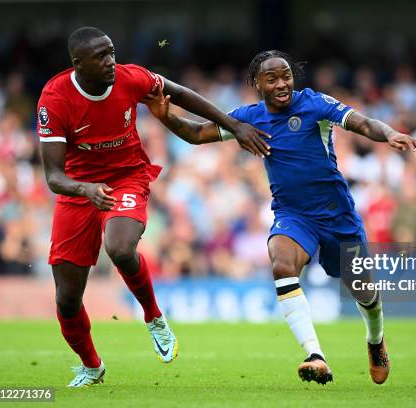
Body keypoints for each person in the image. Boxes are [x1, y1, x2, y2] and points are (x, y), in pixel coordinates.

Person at [143, 50, 416, 385]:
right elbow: (196, 133)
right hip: (293, 214)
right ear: (257, 84)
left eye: (286, 75)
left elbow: (361, 122)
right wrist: (165, 116)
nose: (281, 84)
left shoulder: (315, 103)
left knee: (363, 291)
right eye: (271, 78)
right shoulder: (249, 117)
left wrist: (389, 133)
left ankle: (376, 341)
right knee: (281, 262)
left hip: (337, 214)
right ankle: (315, 355)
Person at [37, 27, 269, 387]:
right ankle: (92, 367)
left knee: (120, 247)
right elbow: (53, 176)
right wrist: (85, 189)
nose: (110, 60)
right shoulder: (55, 99)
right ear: (78, 64)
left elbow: (181, 94)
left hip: (127, 177)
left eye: (111, 51)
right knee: (67, 300)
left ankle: (153, 317)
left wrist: (234, 125)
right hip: (78, 190)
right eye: (100, 56)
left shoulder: (131, 78)